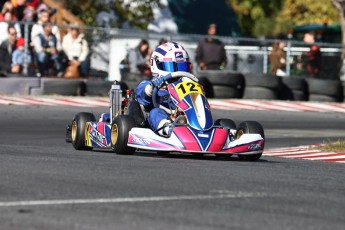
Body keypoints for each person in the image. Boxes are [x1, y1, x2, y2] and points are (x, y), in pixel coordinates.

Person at [136, 41, 191, 137]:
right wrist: (152, 86)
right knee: (155, 112)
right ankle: (168, 130)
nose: (179, 71)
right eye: (173, 66)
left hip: (186, 116)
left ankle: (204, 128)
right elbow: (142, 96)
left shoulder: (186, 85)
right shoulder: (148, 85)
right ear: (158, 65)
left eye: (182, 66)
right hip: (160, 118)